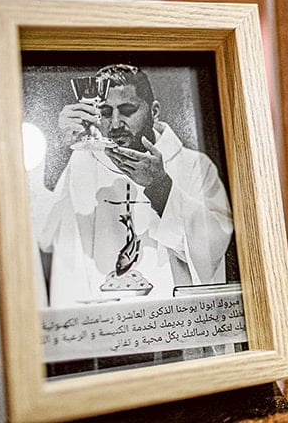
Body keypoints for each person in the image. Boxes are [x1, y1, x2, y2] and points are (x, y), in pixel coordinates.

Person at [35, 64, 234, 307]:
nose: (116, 123)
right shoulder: (79, 163)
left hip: (170, 327)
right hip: (99, 327)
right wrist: (58, 149)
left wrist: (161, 188)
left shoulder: (193, 166)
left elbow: (214, 247)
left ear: (155, 111)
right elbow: (43, 232)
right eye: (106, 112)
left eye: (127, 110)